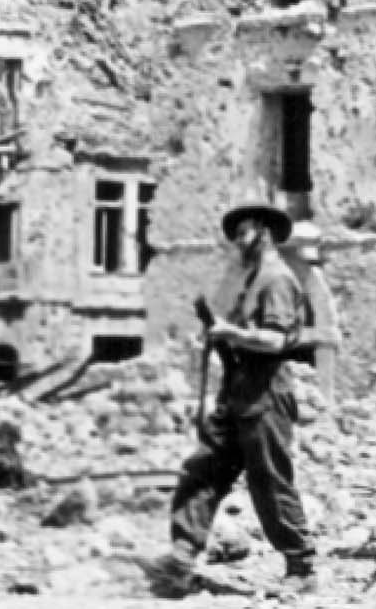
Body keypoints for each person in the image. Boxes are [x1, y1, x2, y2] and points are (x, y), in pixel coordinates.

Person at [146, 201, 316, 596]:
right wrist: (220, 333)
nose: (239, 240)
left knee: (270, 481)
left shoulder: (277, 279)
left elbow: (276, 339)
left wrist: (231, 334)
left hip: (265, 390)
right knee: (204, 469)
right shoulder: (250, 278)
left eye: (245, 232)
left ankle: (301, 565)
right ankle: (182, 557)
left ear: (264, 232)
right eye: (236, 233)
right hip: (237, 389)